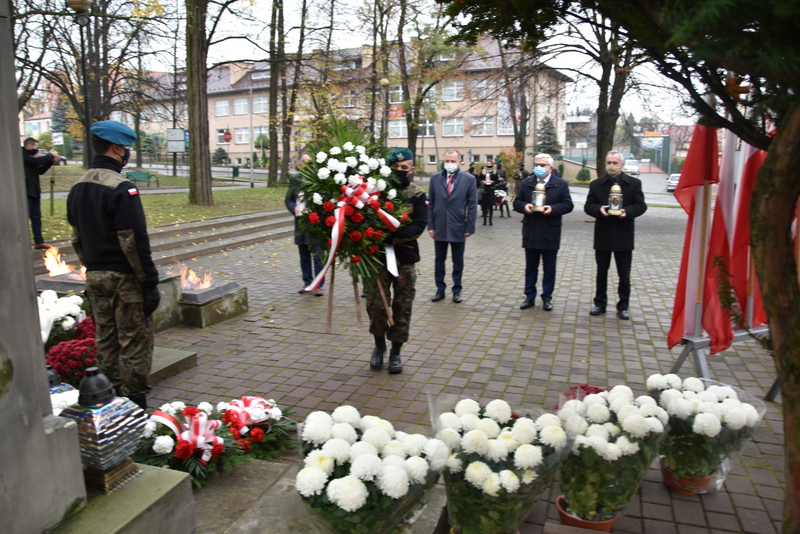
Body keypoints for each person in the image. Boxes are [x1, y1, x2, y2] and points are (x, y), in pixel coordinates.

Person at [66, 120, 160, 410]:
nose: (127, 154)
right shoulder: (122, 188)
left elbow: (77, 237)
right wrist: (149, 281)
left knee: (105, 340)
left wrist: (92, 268)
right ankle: (135, 406)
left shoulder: (77, 188)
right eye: (126, 149)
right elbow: (133, 240)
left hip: (95, 276)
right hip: (124, 279)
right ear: (117, 148)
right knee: (134, 342)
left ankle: (109, 403)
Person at [365, 147, 427, 374]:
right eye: (395, 167)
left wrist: (390, 236)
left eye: (404, 167)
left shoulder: (418, 194)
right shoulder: (376, 192)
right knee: (376, 305)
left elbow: (418, 226)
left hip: (404, 258)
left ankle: (396, 352)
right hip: (377, 258)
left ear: (411, 169)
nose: (400, 171)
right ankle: (379, 347)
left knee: (402, 305)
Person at [584, 151, 648, 320]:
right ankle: (600, 303)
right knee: (601, 272)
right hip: (603, 234)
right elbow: (588, 206)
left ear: (622, 165)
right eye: (609, 162)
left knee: (624, 273)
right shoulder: (597, 184)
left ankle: (623, 306)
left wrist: (626, 212)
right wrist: (599, 209)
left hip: (624, 234)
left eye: (615, 162)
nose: (611, 165)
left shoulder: (634, 184)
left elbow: (641, 206)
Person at [514, 153, 573, 311]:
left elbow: (568, 205)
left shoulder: (560, 184)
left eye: (542, 165)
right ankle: (529, 296)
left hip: (550, 230)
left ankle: (547, 297)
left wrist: (553, 209)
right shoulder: (527, 183)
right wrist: (524, 207)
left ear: (550, 168)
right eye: (536, 164)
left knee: (549, 268)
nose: (538, 168)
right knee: (531, 267)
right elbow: (517, 202)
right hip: (531, 229)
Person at [428, 149, 478, 303]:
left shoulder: (468, 179)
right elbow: (430, 203)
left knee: (458, 261)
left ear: (459, 162)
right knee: (439, 261)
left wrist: (470, 227)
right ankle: (440, 289)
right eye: (447, 161)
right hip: (440, 225)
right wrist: (431, 225)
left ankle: (457, 289)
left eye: (453, 161)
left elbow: (473, 204)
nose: (449, 164)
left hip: (458, 226)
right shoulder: (436, 178)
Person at [286, 154, 324, 296]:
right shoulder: (295, 181)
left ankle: (318, 285)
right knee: (304, 257)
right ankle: (307, 282)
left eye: (312, 164)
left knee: (318, 257)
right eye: (306, 164)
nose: (310, 167)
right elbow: (288, 199)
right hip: (301, 224)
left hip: (316, 225)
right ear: (300, 165)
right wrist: (293, 208)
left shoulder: (319, 180)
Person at [22, 137, 59, 249]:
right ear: (28, 146)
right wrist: (49, 156)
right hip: (26, 191)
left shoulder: (30, 159)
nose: (36, 150)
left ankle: (39, 241)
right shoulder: (22, 154)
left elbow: (40, 170)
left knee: (36, 218)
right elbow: (35, 161)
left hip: (34, 192)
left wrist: (50, 162)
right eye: (35, 147)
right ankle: (23, 242)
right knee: (25, 218)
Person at [477, 161, 497, 226]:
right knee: (484, 206)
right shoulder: (483, 171)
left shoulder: (494, 172)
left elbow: (497, 180)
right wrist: (483, 181)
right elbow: (479, 179)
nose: (489, 165)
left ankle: (490, 221)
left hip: (491, 189)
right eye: (488, 164)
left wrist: (493, 181)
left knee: (490, 205)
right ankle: (485, 221)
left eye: (490, 164)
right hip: (484, 190)